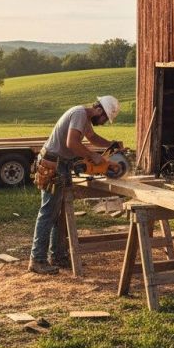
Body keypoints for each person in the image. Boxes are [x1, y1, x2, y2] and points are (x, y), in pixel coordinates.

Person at [28, 96, 122, 275]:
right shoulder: (79, 114)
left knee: (60, 213)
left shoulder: (84, 118)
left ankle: (58, 256)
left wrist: (111, 144)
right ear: (100, 110)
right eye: (104, 119)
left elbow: (92, 137)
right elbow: (71, 143)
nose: (102, 123)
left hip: (61, 164)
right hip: (53, 165)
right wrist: (93, 156)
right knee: (48, 212)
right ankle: (37, 259)